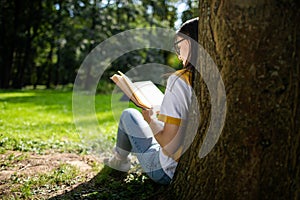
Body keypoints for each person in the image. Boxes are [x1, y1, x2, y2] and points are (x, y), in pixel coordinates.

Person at [104, 17, 199, 185]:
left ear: (192, 42)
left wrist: (150, 121)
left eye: (179, 45)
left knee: (129, 114)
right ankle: (119, 159)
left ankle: (119, 161)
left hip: (167, 170)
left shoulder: (180, 81)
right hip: (193, 165)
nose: (177, 53)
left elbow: (169, 147)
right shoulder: (213, 80)